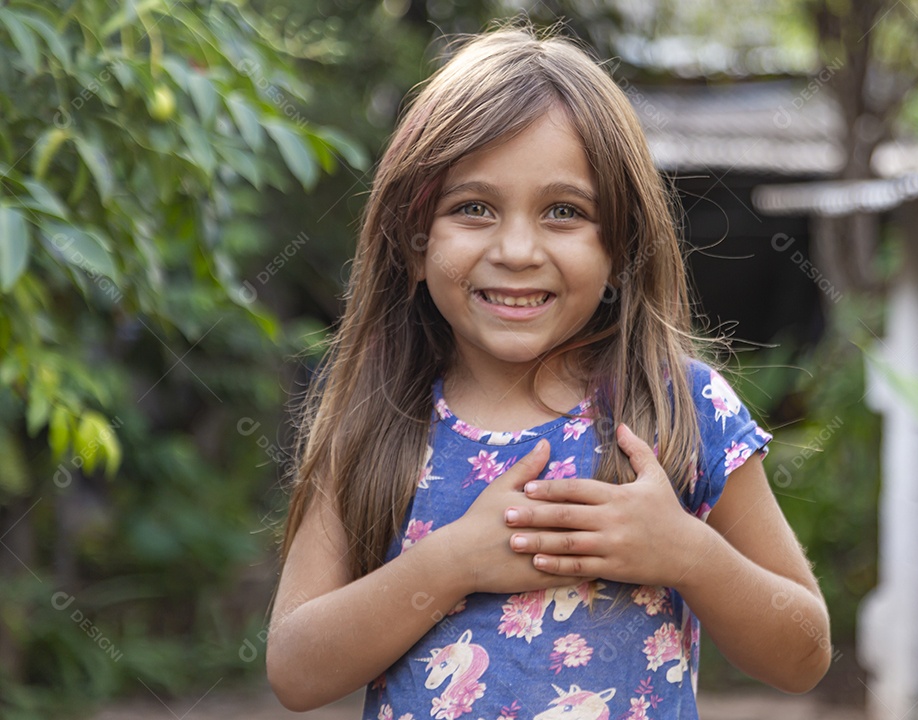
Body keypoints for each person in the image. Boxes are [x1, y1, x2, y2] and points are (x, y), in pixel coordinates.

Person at [267, 21, 831, 718]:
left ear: (621, 248)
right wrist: (451, 565)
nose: (516, 248)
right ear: (412, 245)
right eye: (472, 208)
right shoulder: (377, 417)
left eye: (564, 211)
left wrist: (687, 553)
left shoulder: (679, 406)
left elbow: (804, 654)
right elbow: (294, 669)